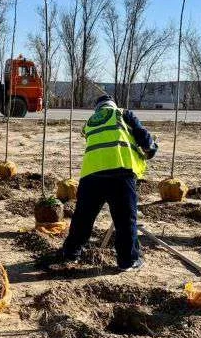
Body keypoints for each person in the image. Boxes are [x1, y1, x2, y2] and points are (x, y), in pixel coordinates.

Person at [59, 95, 157, 271]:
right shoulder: (123, 113)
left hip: (91, 175)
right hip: (120, 173)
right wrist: (150, 150)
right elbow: (145, 140)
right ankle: (128, 261)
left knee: (83, 218)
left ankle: (71, 253)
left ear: (97, 109)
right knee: (125, 219)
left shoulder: (90, 122)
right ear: (113, 105)